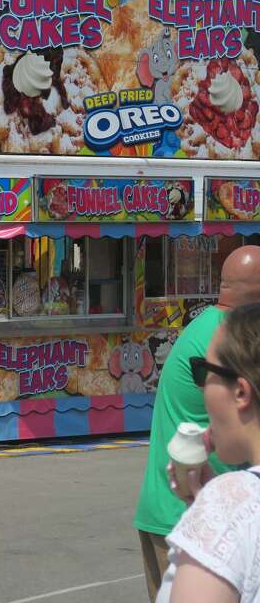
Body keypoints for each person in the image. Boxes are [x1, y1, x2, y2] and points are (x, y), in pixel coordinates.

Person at [136, 245, 260, 601]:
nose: (205, 388)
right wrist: (215, 502)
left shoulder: (208, 327)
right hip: (181, 514)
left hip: (177, 507)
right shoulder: (235, 339)